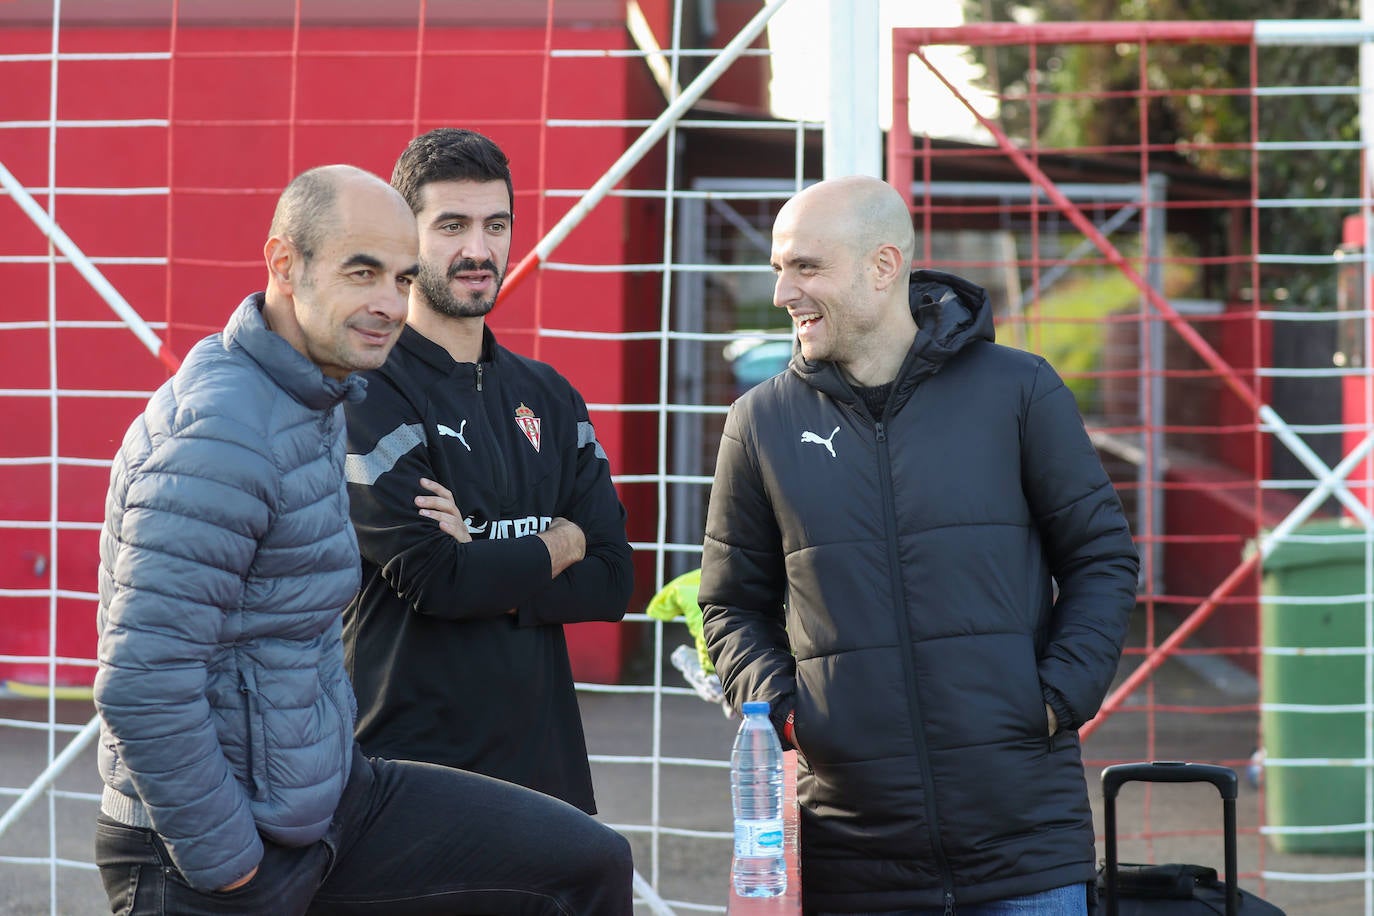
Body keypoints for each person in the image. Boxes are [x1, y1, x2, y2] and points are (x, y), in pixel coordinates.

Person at [92, 163, 634, 915]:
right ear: (285, 263)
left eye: (402, 276)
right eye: (363, 272)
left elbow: (610, 574)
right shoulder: (219, 432)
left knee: (588, 862)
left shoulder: (314, 396)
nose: (390, 303)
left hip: (326, 799)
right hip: (212, 845)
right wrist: (233, 868)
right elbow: (142, 685)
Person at [699, 175, 1140, 915]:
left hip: (1025, 846)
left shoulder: (1020, 391)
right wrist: (786, 711)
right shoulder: (759, 424)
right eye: (779, 268)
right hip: (853, 853)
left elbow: (1102, 557)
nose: (783, 293)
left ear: (883, 265)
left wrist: (1058, 697)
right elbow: (729, 606)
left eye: (806, 267)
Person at [340, 128, 633, 815]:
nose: (479, 250)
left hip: (546, 779)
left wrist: (486, 561)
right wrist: (559, 545)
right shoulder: (367, 391)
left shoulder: (550, 395)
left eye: (495, 225)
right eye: (452, 226)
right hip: (409, 780)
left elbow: (613, 580)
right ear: (405, 238)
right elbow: (437, 579)